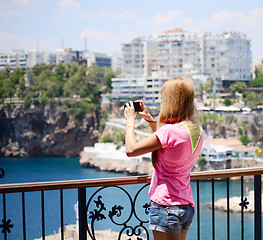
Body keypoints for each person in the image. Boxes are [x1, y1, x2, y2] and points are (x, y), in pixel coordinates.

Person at [124, 77, 204, 240]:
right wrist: (150, 119)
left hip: (166, 207)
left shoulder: (170, 131)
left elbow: (131, 150)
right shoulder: (197, 129)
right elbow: (168, 142)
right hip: (185, 206)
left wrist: (130, 122)